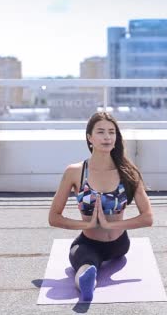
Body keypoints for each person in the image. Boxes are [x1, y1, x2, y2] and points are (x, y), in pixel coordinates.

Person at [48, 111, 153, 301]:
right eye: (101, 132)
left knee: (92, 262)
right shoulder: (75, 172)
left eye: (112, 132)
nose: (107, 137)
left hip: (120, 245)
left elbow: (147, 217)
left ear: (116, 138)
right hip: (88, 243)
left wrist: (110, 225)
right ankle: (87, 282)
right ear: (89, 138)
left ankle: (88, 275)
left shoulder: (128, 172)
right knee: (86, 264)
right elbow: (54, 217)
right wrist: (87, 225)